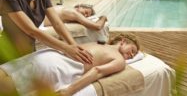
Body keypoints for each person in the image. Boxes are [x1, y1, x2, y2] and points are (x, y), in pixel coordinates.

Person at [0, 33, 140, 96]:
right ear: (123, 41)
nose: (132, 55)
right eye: (132, 50)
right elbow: (97, 71)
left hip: (47, 55)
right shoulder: (119, 59)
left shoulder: (96, 43)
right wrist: (69, 91)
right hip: (56, 67)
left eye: (134, 55)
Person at [43, 4, 108, 31]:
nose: (85, 16)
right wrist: (103, 17)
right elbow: (97, 26)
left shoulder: (65, 8)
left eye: (87, 16)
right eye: (86, 12)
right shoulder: (73, 12)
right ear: (80, 6)